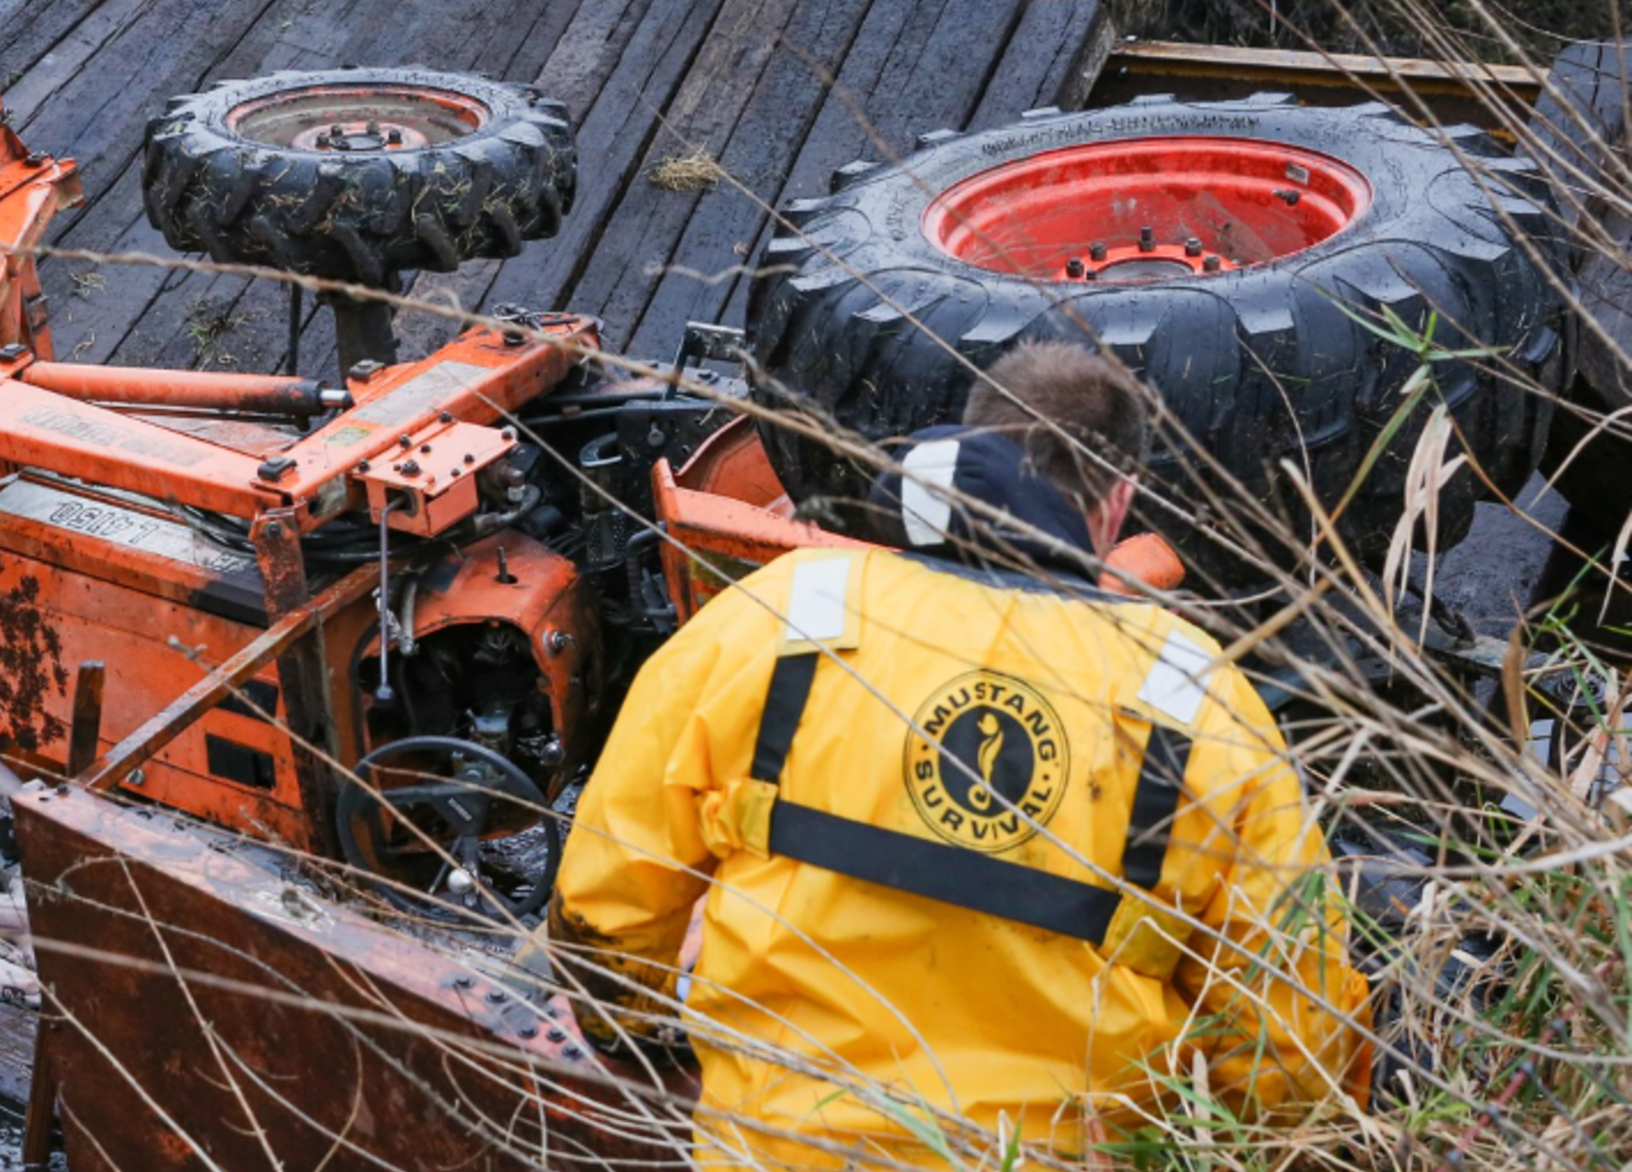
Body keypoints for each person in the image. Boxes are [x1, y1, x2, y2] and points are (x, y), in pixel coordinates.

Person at [547, 342, 1372, 1168]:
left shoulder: (785, 615)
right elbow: (1291, 1034)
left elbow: (609, 900)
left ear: (973, 445)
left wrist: (633, 1028)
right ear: (1118, 503)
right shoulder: (1191, 694)